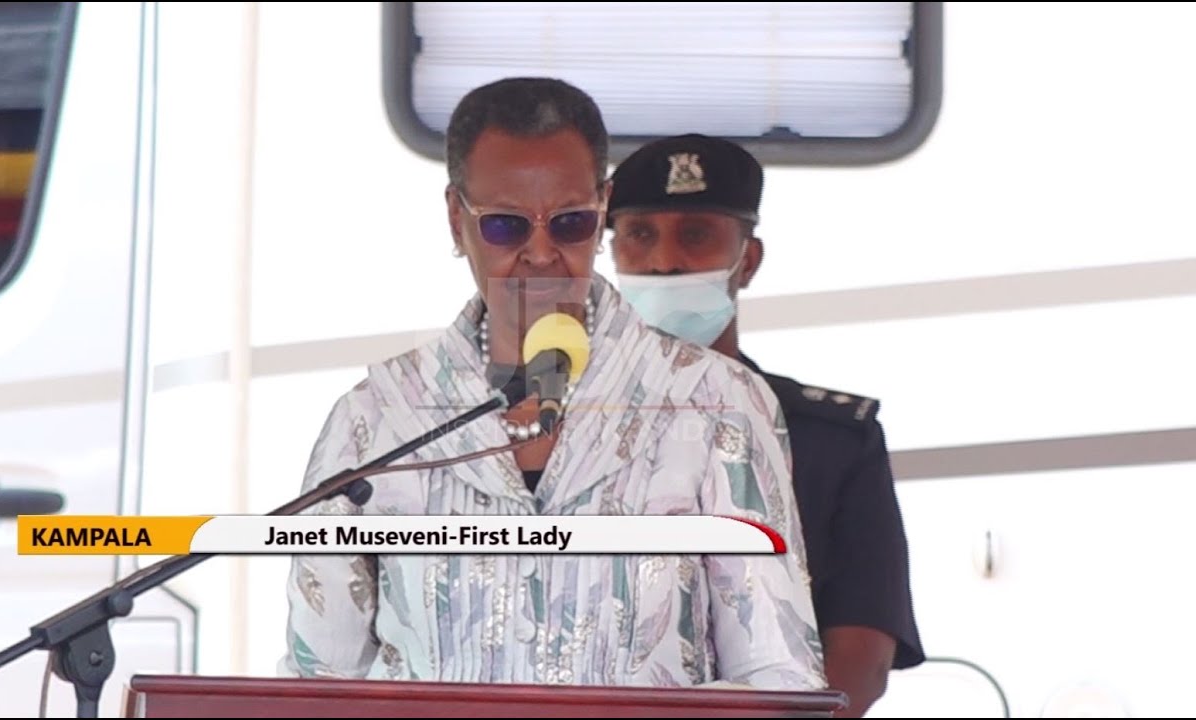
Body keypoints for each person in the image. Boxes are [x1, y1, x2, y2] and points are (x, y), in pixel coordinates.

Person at [277, 79, 827, 691]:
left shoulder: (716, 401)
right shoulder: (375, 419)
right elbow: (318, 681)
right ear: (457, 220)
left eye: (570, 223)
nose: (542, 253)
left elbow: (780, 676)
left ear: (603, 209)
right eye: (507, 227)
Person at [607, 134, 925, 715]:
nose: (664, 260)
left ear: (747, 260)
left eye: (696, 235)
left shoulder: (833, 440)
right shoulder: (565, 427)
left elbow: (862, 651)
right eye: (639, 235)